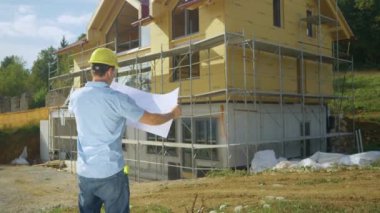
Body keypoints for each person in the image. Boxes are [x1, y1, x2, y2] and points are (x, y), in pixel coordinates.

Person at [68, 47, 181, 213]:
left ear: (93, 69)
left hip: (85, 173)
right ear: (110, 71)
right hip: (110, 172)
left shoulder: (76, 97)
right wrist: (172, 113)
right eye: (114, 72)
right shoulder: (118, 99)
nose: (114, 76)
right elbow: (151, 119)